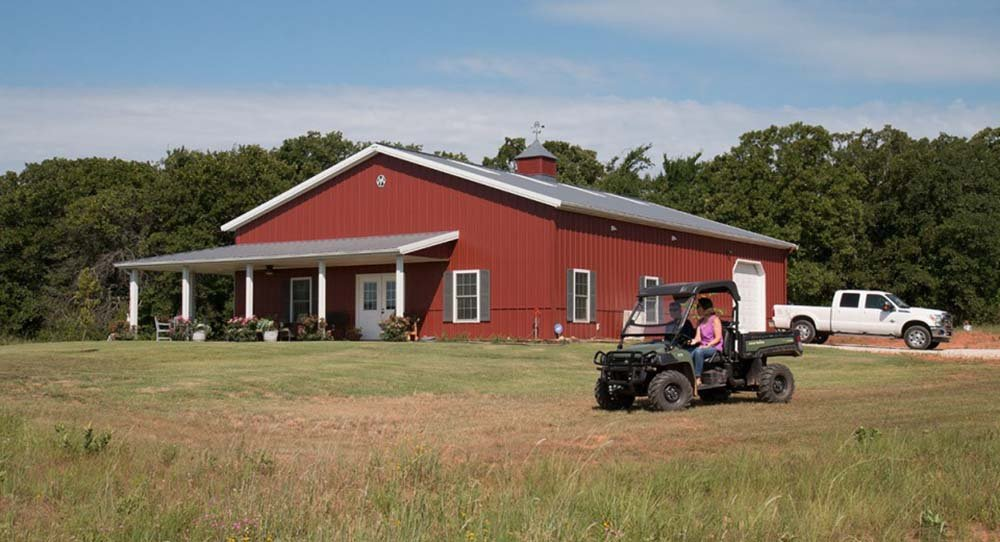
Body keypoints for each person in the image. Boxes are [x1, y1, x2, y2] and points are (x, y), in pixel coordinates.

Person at [688, 297, 724, 387]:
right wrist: (691, 341)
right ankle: (688, 377)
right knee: (687, 353)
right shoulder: (700, 321)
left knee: (698, 351)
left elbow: (718, 338)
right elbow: (698, 338)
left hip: (714, 347)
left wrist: (708, 345)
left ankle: (698, 378)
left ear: (705, 307)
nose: (697, 309)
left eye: (698, 307)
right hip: (703, 347)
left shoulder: (715, 320)